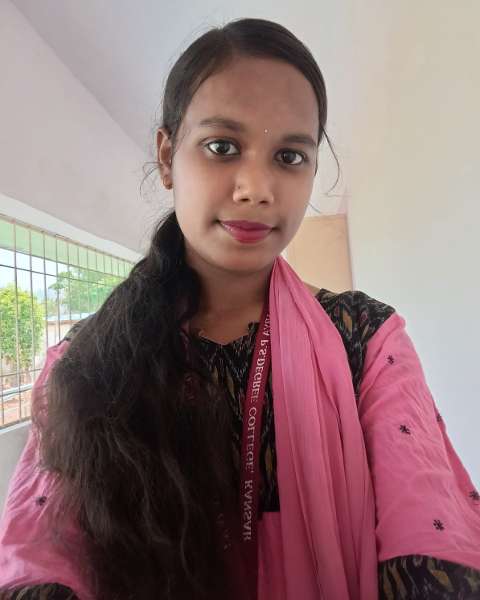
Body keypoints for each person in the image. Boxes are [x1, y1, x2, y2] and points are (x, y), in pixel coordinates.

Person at [0, 17, 479, 600]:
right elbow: (38, 557)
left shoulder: (367, 340)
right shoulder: (85, 362)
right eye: (222, 147)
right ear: (167, 156)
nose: (256, 187)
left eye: (290, 156)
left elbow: (430, 528)